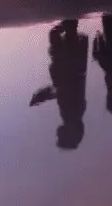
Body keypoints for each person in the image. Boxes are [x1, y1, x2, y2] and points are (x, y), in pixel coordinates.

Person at [29, 19, 88, 150]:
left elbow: (62, 92)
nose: (57, 134)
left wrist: (43, 96)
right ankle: (70, 15)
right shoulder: (72, 115)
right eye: (60, 137)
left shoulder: (75, 115)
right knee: (56, 35)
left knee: (61, 35)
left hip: (69, 67)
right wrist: (42, 96)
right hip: (68, 67)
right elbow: (63, 91)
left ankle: (70, 18)